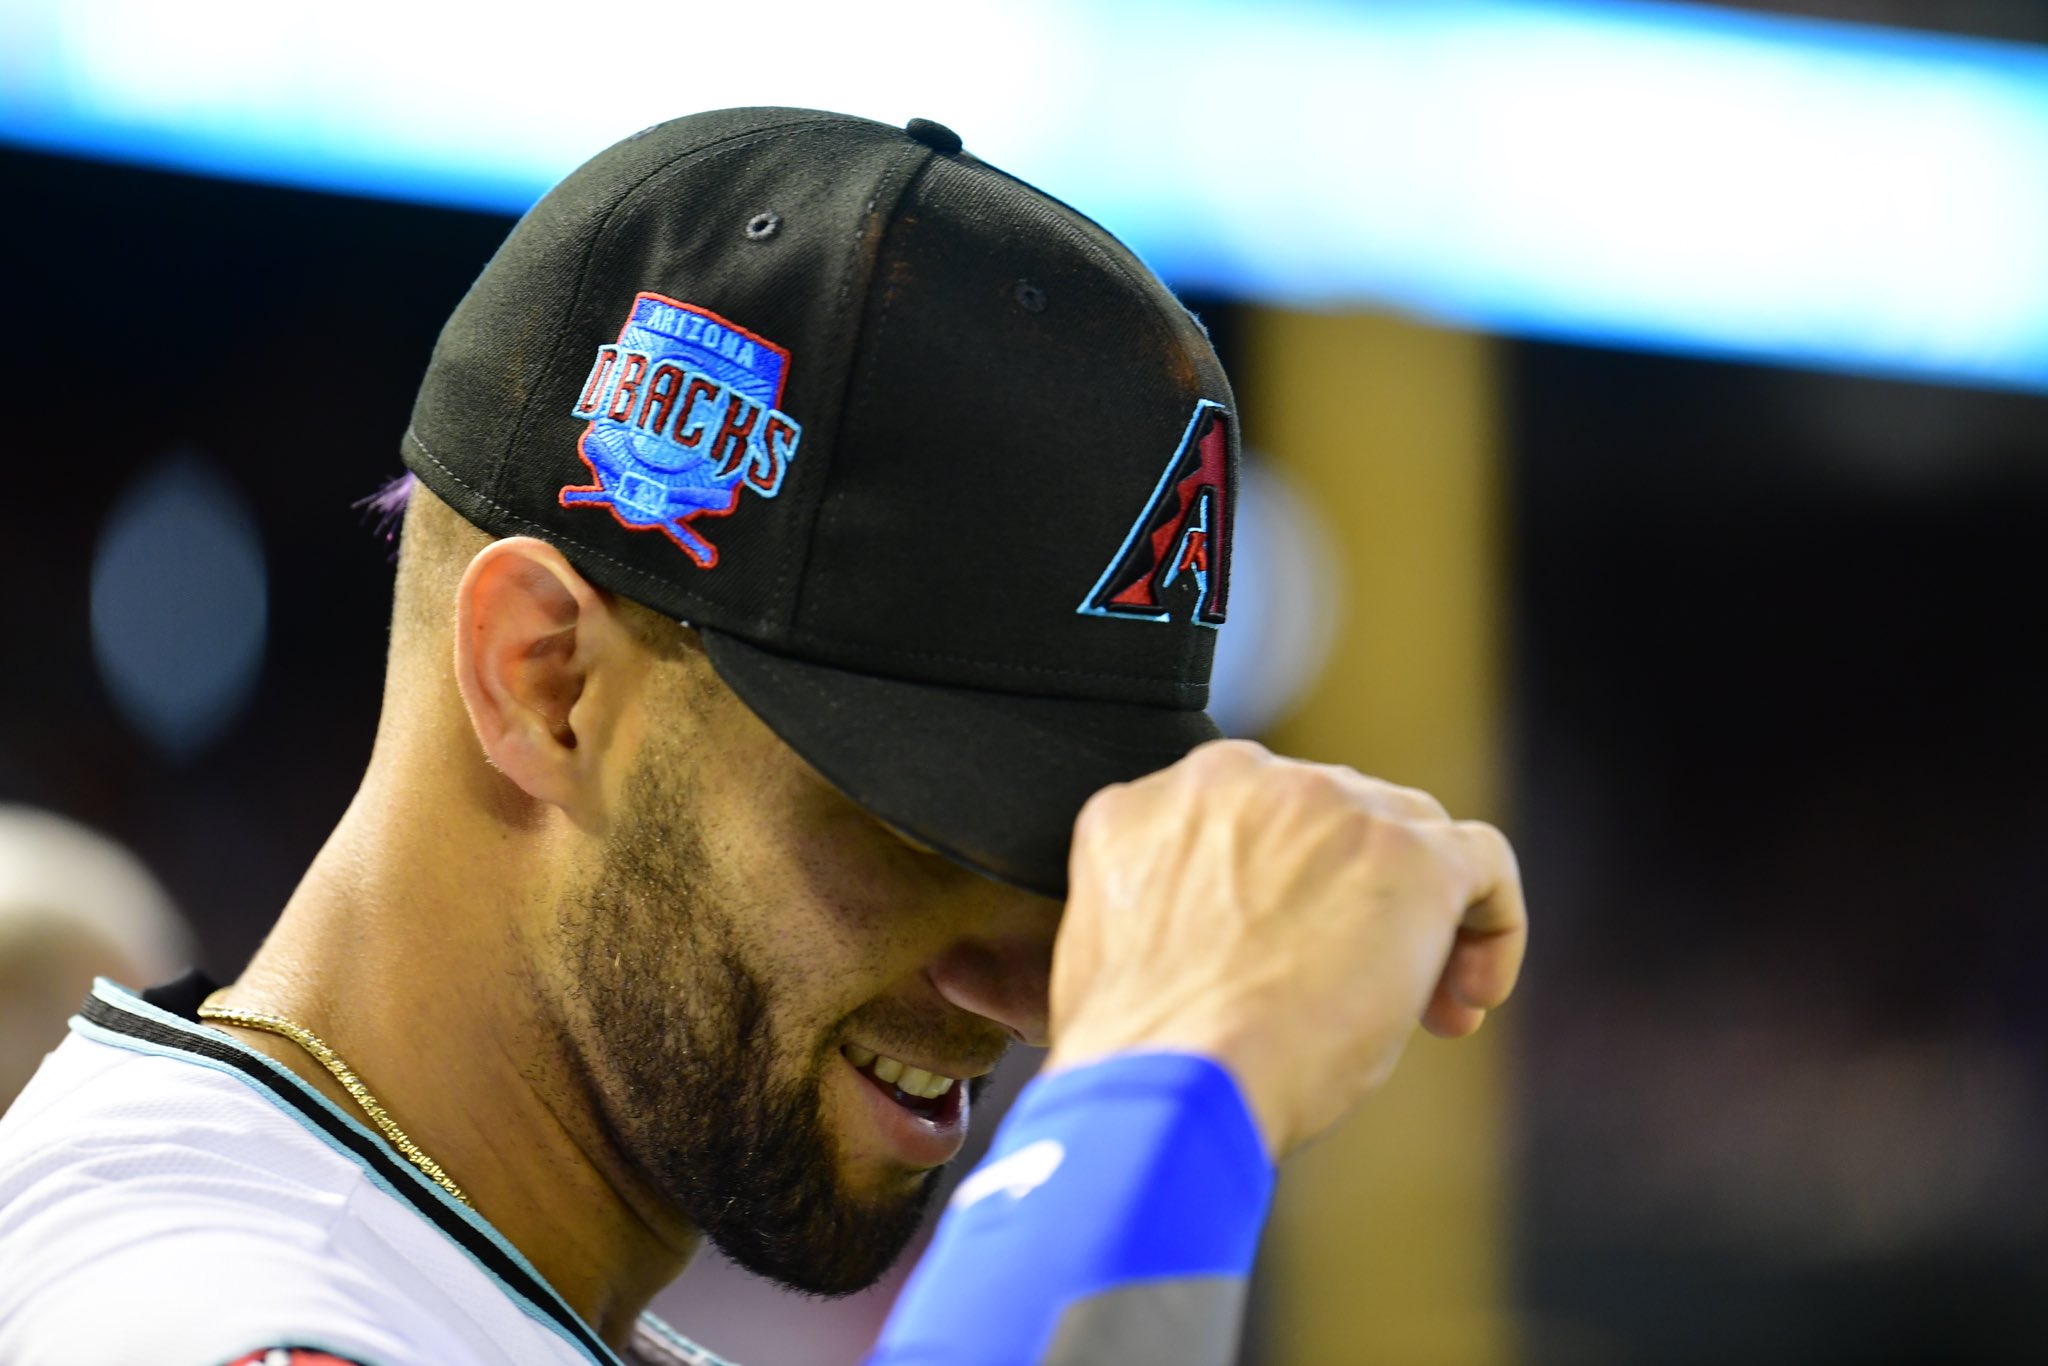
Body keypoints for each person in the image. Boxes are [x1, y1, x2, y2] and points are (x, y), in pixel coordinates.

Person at [0, 108, 1525, 1366]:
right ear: (546, 680)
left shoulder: (415, 1276)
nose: (1020, 984)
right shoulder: (217, 1314)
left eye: (1056, 856)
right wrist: (1171, 1086)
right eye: (922, 813)